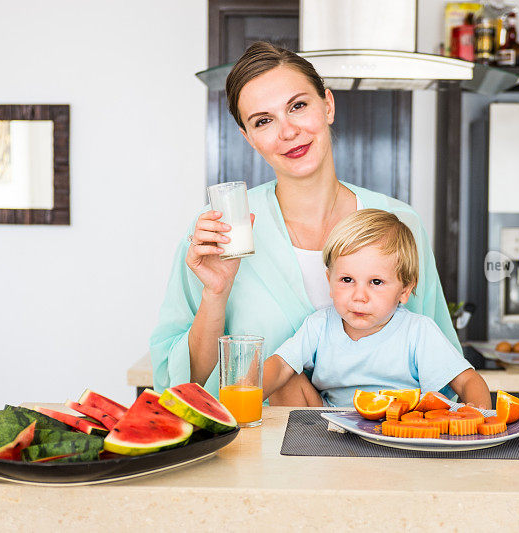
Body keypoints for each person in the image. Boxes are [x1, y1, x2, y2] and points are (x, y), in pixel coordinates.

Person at [150, 41, 465, 405]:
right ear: (248, 138)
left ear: (327, 105)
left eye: (298, 106)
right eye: (263, 121)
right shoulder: (220, 231)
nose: (288, 132)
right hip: (259, 456)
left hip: (385, 449)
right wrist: (216, 294)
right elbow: (186, 385)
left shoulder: (401, 223)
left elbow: (443, 375)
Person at [262, 209, 491, 408]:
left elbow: (468, 381)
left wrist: (481, 420)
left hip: (400, 425)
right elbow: (280, 366)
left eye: (376, 282)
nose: (359, 296)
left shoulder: (418, 331)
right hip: (329, 426)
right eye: (347, 280)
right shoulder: (319, 325)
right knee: (287, 376)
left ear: (404, 291)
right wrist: (240, 404)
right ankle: (298, 449)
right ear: (329, 281)